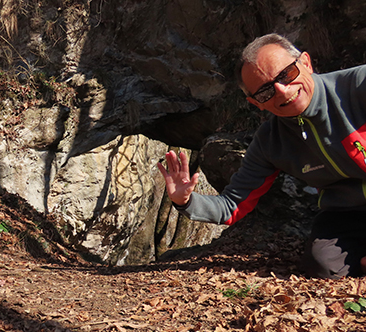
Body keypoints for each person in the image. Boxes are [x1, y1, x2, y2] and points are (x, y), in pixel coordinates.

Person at [157, 33, 366, 279]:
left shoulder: (357, 85)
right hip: (347, 213)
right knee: (323, 266)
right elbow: (231, 205)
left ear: (306, 63)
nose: (281, 90)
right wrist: (186, 201)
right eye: (265, 92)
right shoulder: (270, 141)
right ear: (256, 103)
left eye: (286, 74)